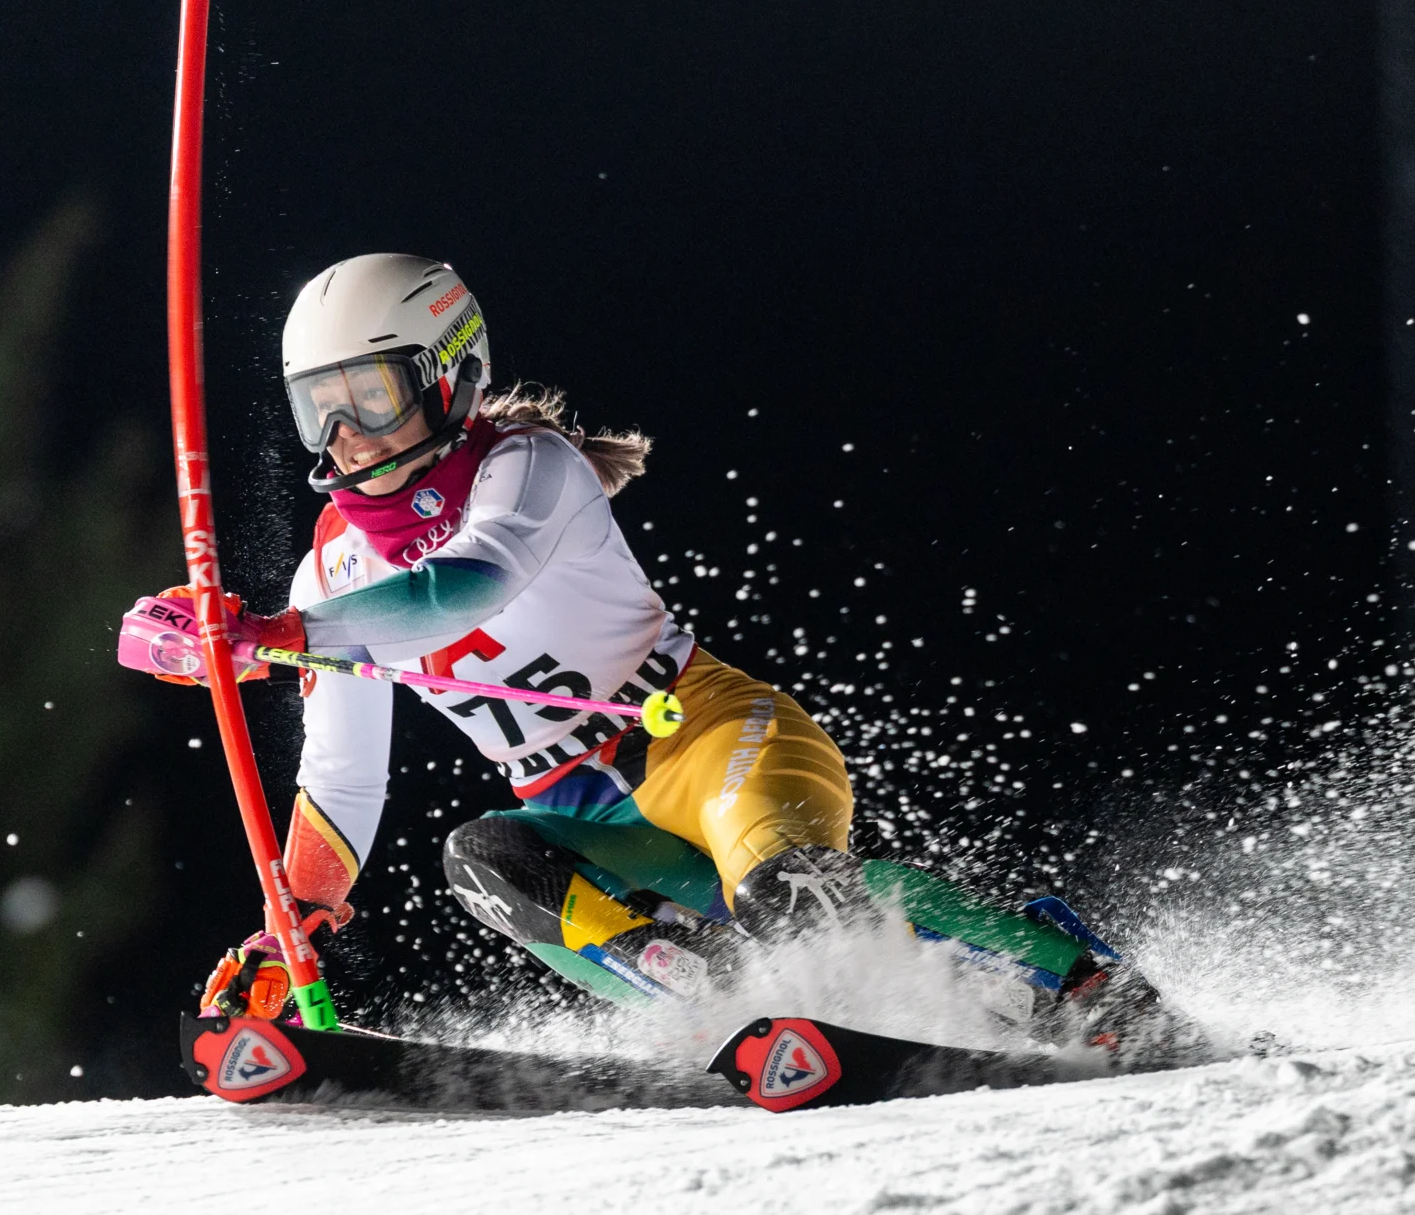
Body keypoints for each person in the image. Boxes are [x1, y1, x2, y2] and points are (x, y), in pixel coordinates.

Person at [121, 253, 1179, 1055]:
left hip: (707, 739)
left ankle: (1074, 975)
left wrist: (269, 634)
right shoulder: (329, 576)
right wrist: (286, 929)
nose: (346, 431)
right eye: (322, 403)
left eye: (374, 395)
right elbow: (344, 776)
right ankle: (729, 1008)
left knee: (794, 899)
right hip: (585, 814)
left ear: (448, 375)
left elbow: (468, 586)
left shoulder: (528, 465)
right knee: (485, 860)